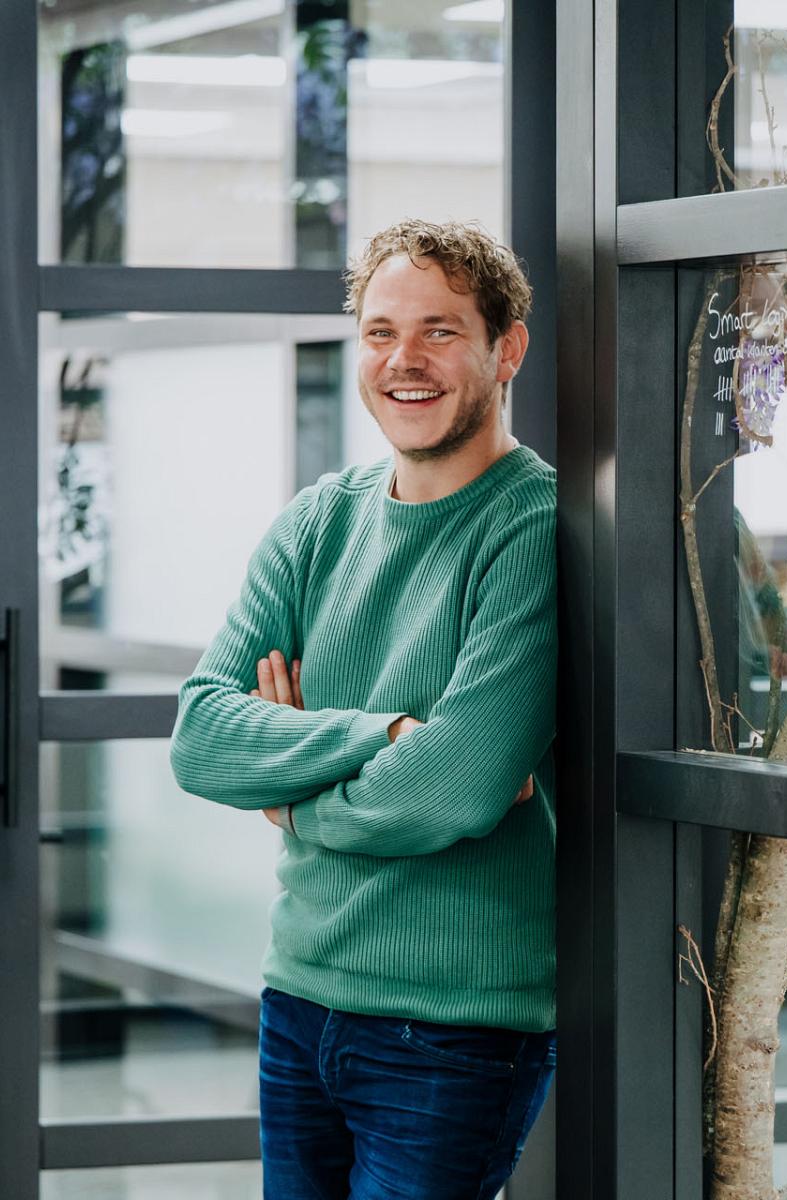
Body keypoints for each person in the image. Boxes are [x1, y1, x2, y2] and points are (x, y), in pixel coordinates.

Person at [169, 218, 557, 1200]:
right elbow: (202, 737)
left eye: (439, 331)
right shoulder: (317, 521)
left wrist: (293, 792)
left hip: (456, 1029)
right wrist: (382, 735)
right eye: (381, 332)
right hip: (299, 996)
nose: (404, 361)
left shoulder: (537, 526)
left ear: (506, 347)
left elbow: (461, 790)